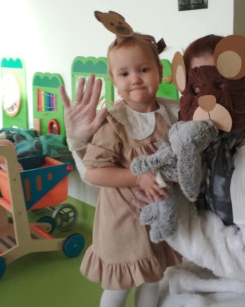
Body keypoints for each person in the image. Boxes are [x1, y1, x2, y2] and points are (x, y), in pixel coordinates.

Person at [61, 34, 245, 307]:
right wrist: (78, 141)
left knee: (159, 285)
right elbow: (98, 171)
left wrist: (174, 213)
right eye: (197, 89)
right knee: (143, 287)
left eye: (219, 83)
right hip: (146, 233)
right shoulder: (202, 126)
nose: (208, 100)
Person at [60, 32, 182, 307]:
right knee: (119, 287)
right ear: (114, 80)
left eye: (143, 69)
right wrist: (137, 177)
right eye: (124, 74)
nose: (135, 79)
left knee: (153, 278)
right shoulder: (115, 121)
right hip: (122, 221)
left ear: (160, 71)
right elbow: (94, 173)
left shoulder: (172, 112)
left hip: (158, 216)